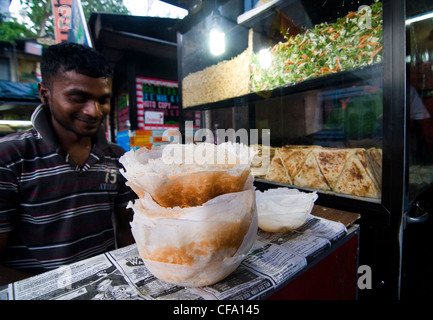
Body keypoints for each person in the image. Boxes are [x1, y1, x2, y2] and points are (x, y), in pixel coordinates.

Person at [0, 42, 136, 285]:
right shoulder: (9, 158)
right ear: (45, 94)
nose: (94, 111)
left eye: (102, 100)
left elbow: (127, 231)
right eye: (78, 98)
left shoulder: (117, 157)